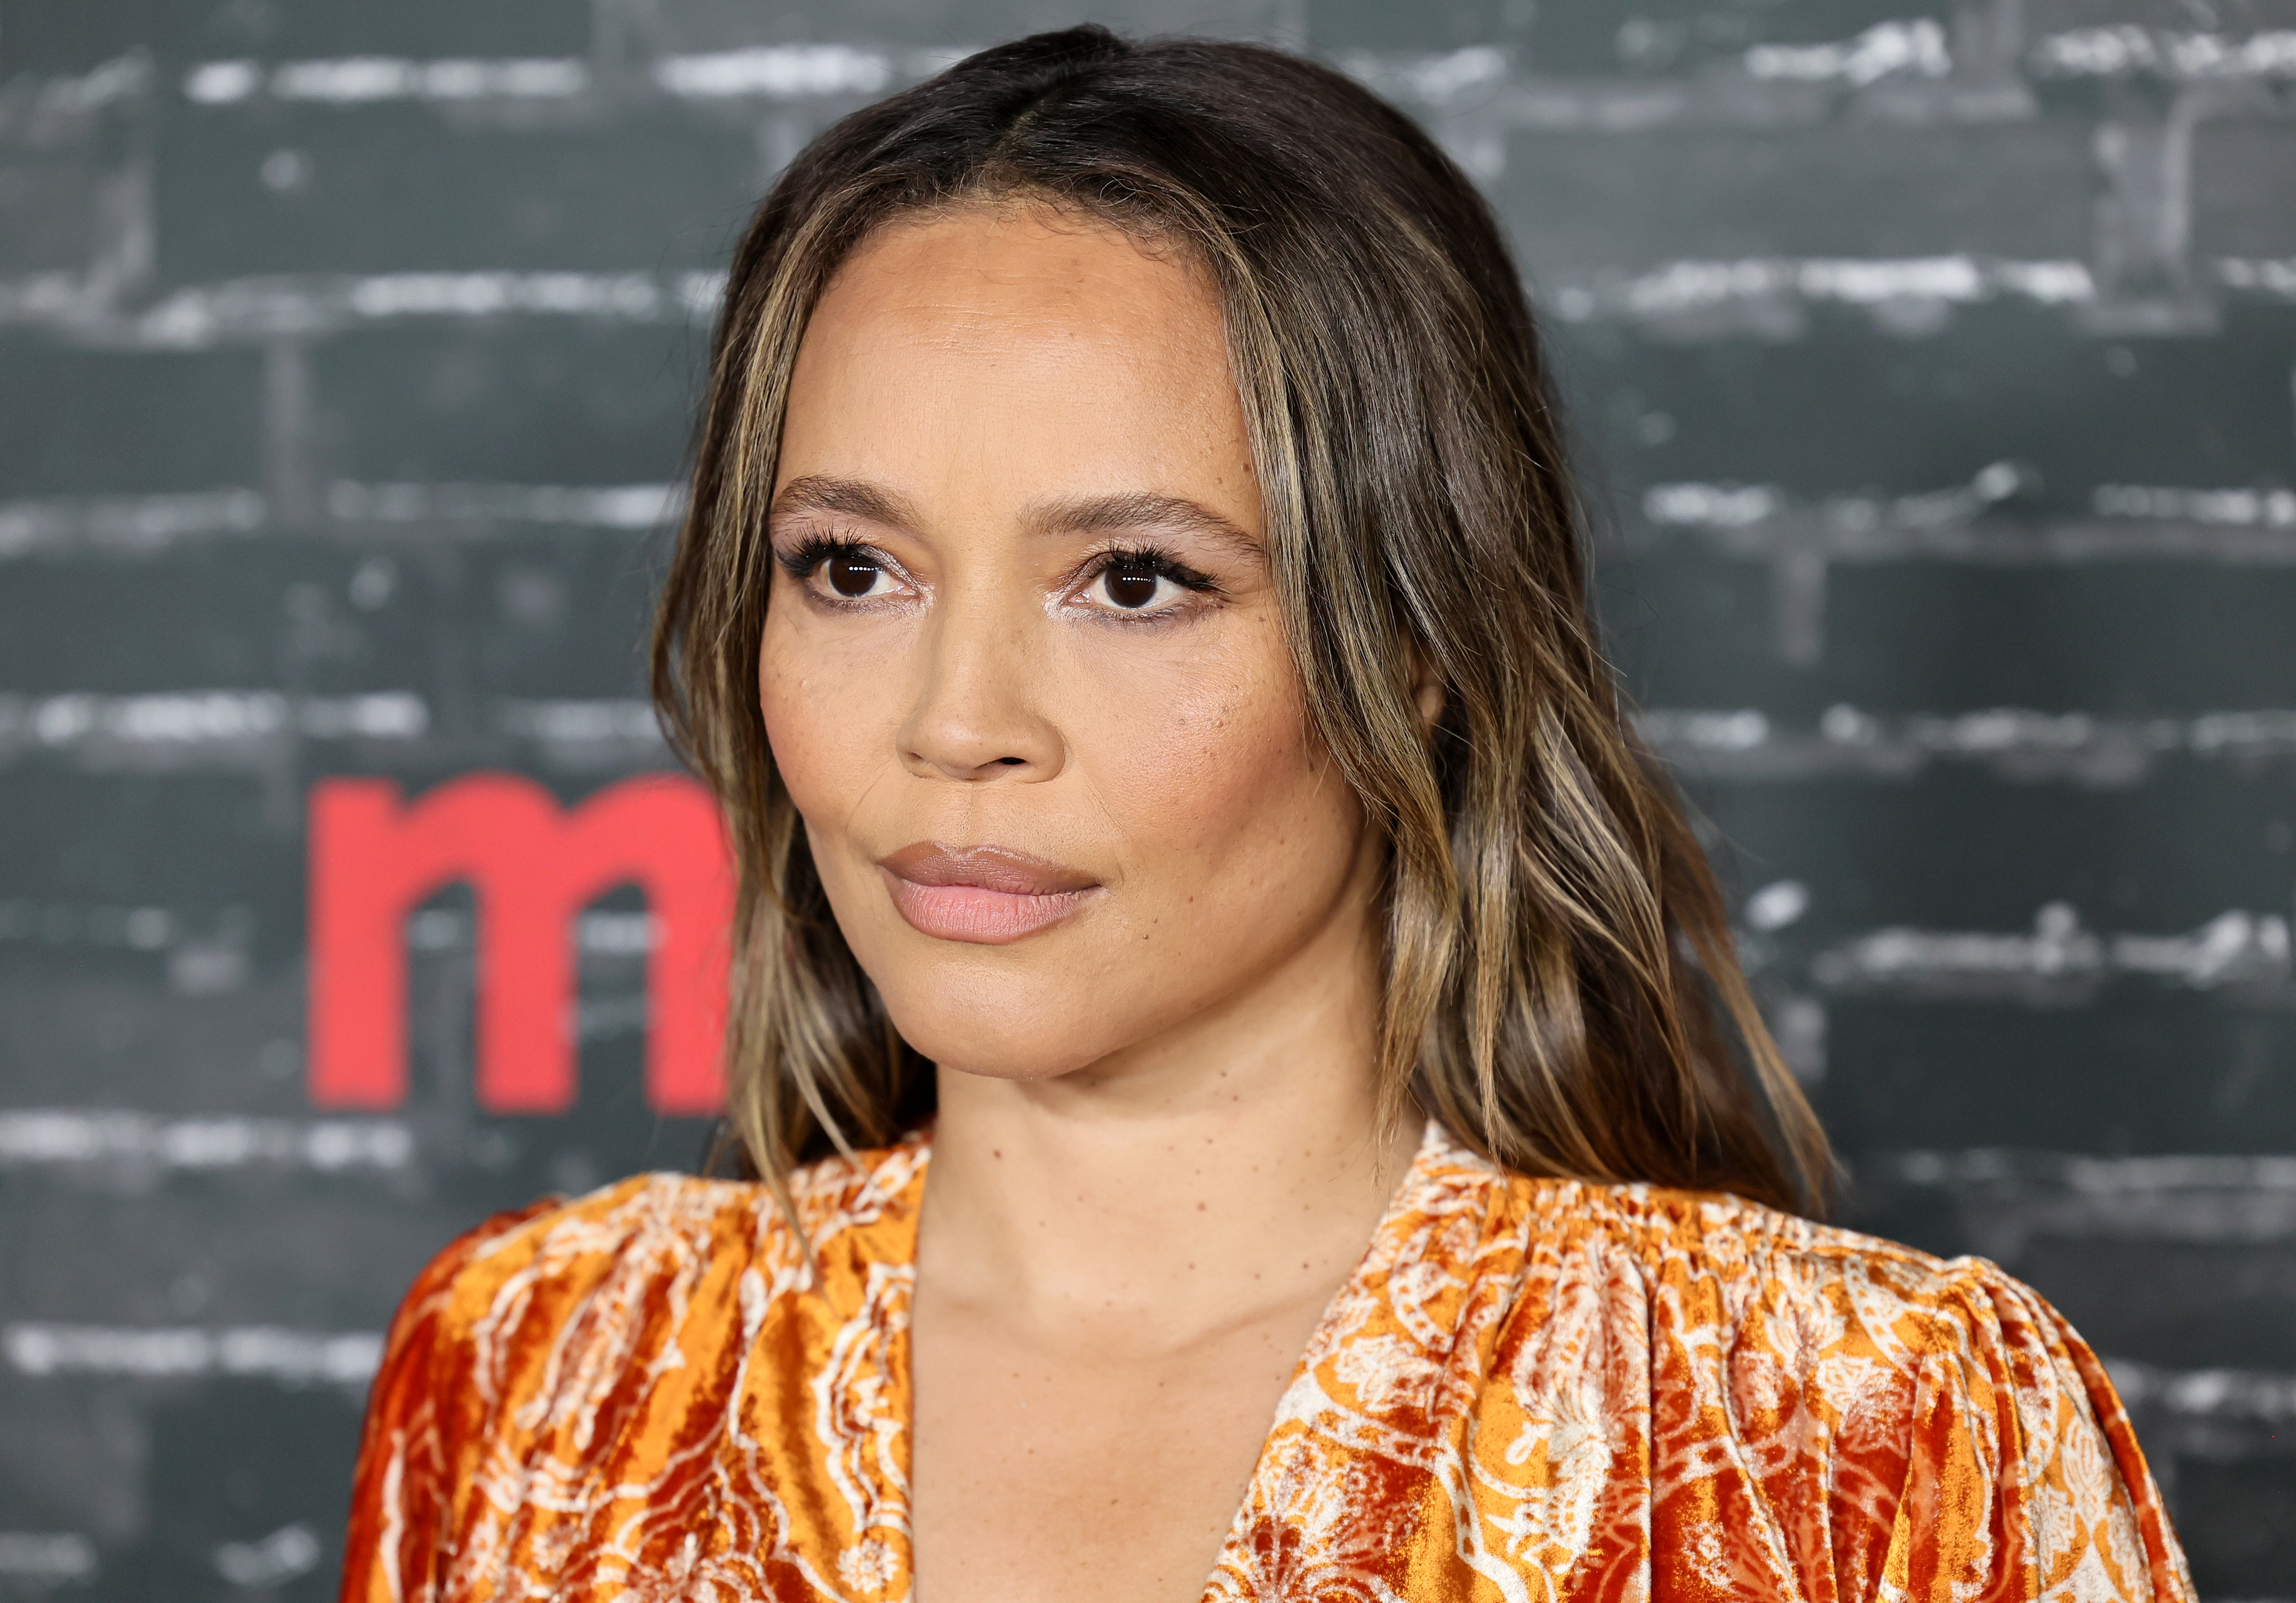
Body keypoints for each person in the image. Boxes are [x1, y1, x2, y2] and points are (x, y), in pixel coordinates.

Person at [339, 25, 2189, 1603]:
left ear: (1425, 640)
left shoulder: (1858, 1439)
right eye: (850, 567)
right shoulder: (539, 1380)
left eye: (1135, 581)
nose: (957, 725)